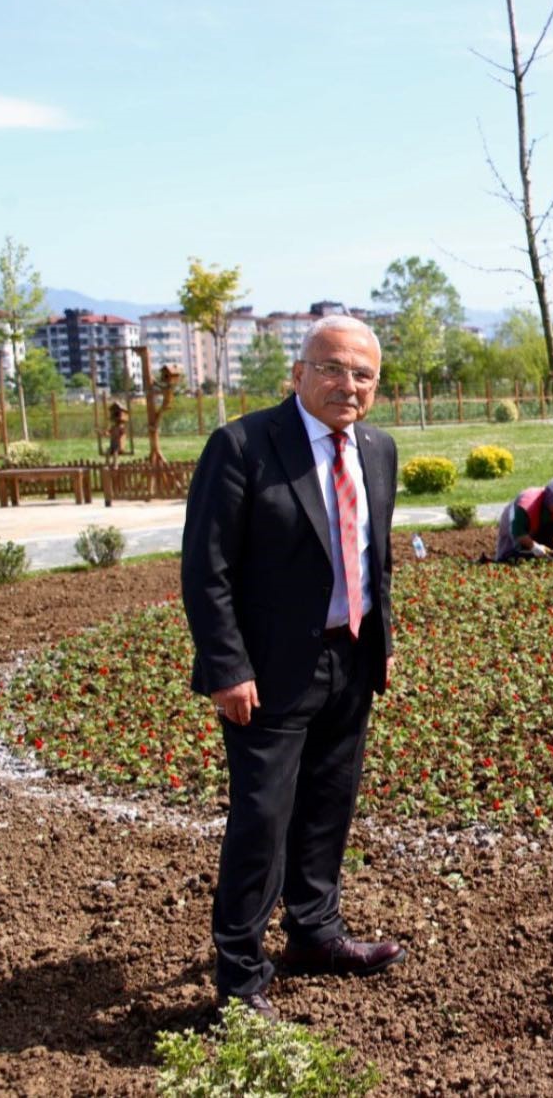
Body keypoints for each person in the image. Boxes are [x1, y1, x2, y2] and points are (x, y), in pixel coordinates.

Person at [181, 315, 402, 1020]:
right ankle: (240, 978)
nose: (348, 384)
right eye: (332, 368)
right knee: (262, 820)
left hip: (350, 658)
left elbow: (373, 554)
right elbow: (205, 569)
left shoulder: (377, 448)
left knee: (327, 809)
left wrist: (382, 638)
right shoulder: (243, 446)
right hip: (268, 672)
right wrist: (225, 666)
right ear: (299, 373)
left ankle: (315, 932)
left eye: (362, 374)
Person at [494, 477, 553, 562]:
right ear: (549, 499)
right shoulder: (527, 506)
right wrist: (534, 546)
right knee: (509, 556)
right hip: (514, 523)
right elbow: (518, 533)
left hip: (539, 525)